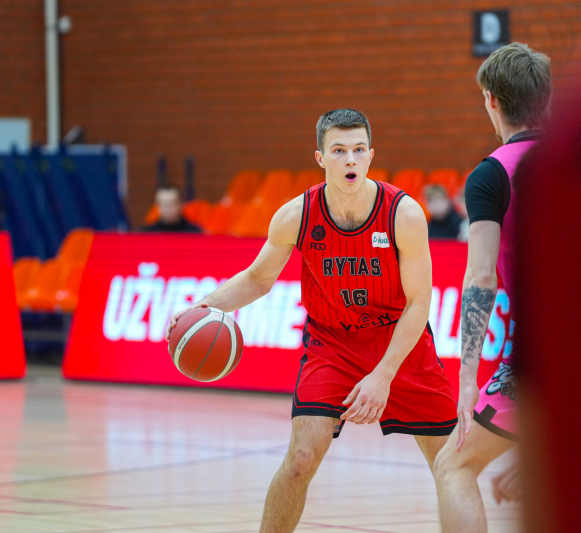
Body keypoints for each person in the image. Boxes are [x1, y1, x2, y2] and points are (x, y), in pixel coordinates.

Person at [166, 109, 457, 533]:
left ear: (371, 155)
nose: (350, 159)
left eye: (358, 150)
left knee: (451, 465)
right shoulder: (296, 215)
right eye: (338, 151)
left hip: (399, 341)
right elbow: (258, 278)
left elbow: (418, 304)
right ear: (320, 158)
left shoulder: (403, 214)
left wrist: (383, 375)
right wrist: (204, 306)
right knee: (301, 459)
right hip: (332, 345)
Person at [432, 42, 552, 533]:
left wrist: (466, 378)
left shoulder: (492, 174)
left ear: (491, 100)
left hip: (540, 352)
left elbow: (480, 277)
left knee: (454, 465)